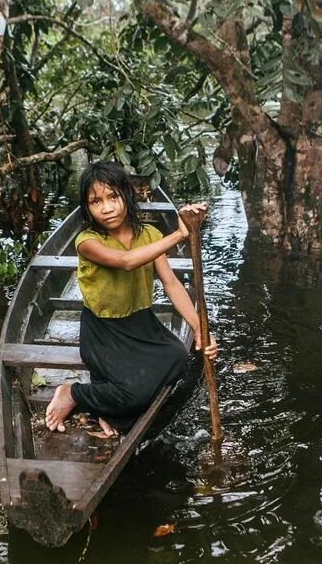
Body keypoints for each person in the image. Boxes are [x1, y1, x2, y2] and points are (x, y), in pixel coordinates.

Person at [45, 161, 218, 436]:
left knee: (178, 358)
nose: (107, 207)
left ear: (127, 195)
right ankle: (73, 393)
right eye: (95, 201)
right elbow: (126, 262)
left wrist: (200, 328)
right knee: (133, 394)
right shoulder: (87, 241)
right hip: (104, 331)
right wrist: (179, 234)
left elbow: (171, 284)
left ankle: (109, 407)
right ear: (87, 208)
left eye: (113, 196)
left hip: (140, 323)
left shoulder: (149, 235)